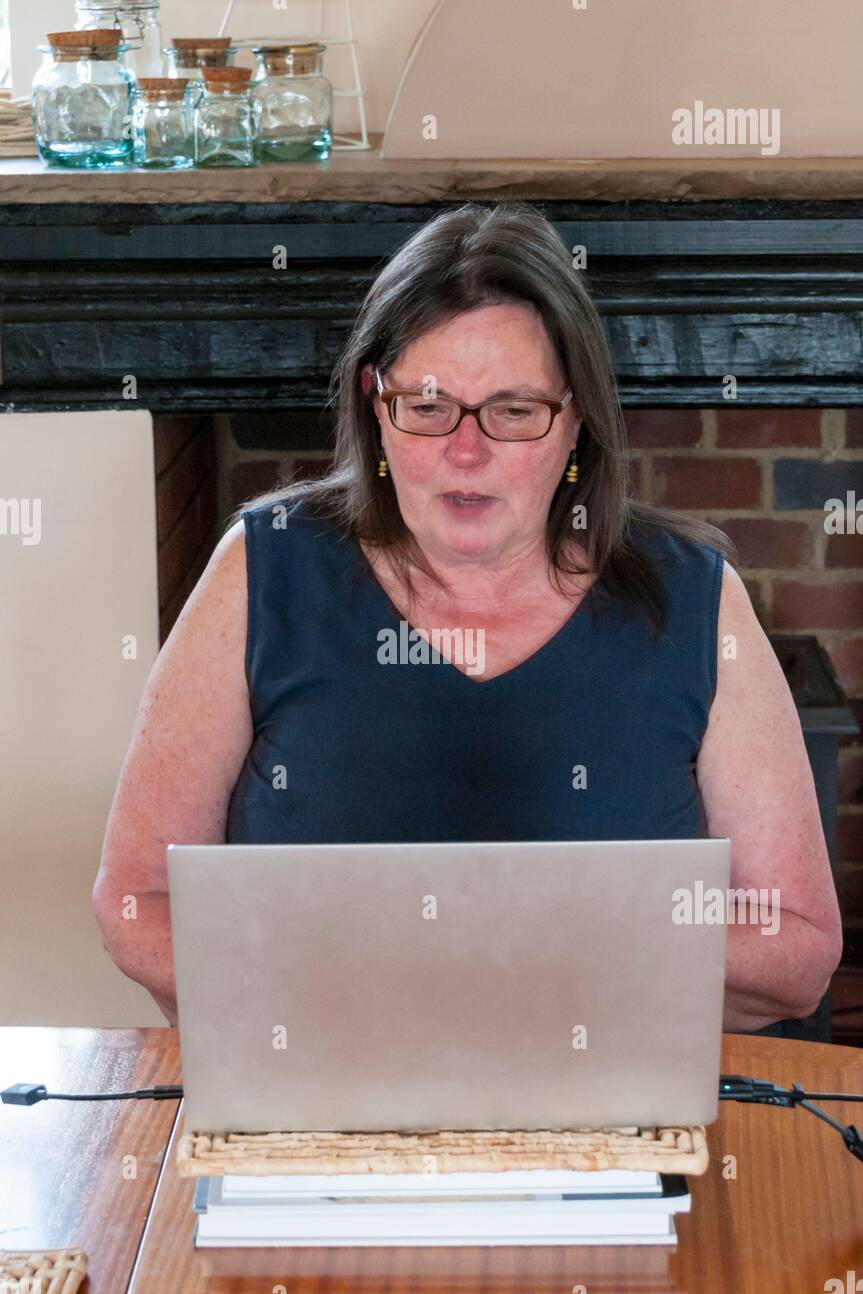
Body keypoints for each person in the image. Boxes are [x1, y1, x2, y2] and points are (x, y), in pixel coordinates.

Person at [92, 202, 842, 1034]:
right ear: (376, 405)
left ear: (577, 423)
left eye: (514, 411)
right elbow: (133, 901)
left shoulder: (693, 597)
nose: (466, 451)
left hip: (604, 1097)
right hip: (317, 1077)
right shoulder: (261, 566)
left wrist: (535, 933)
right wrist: (332, 1004)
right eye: (427, 404)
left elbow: (798, 952)